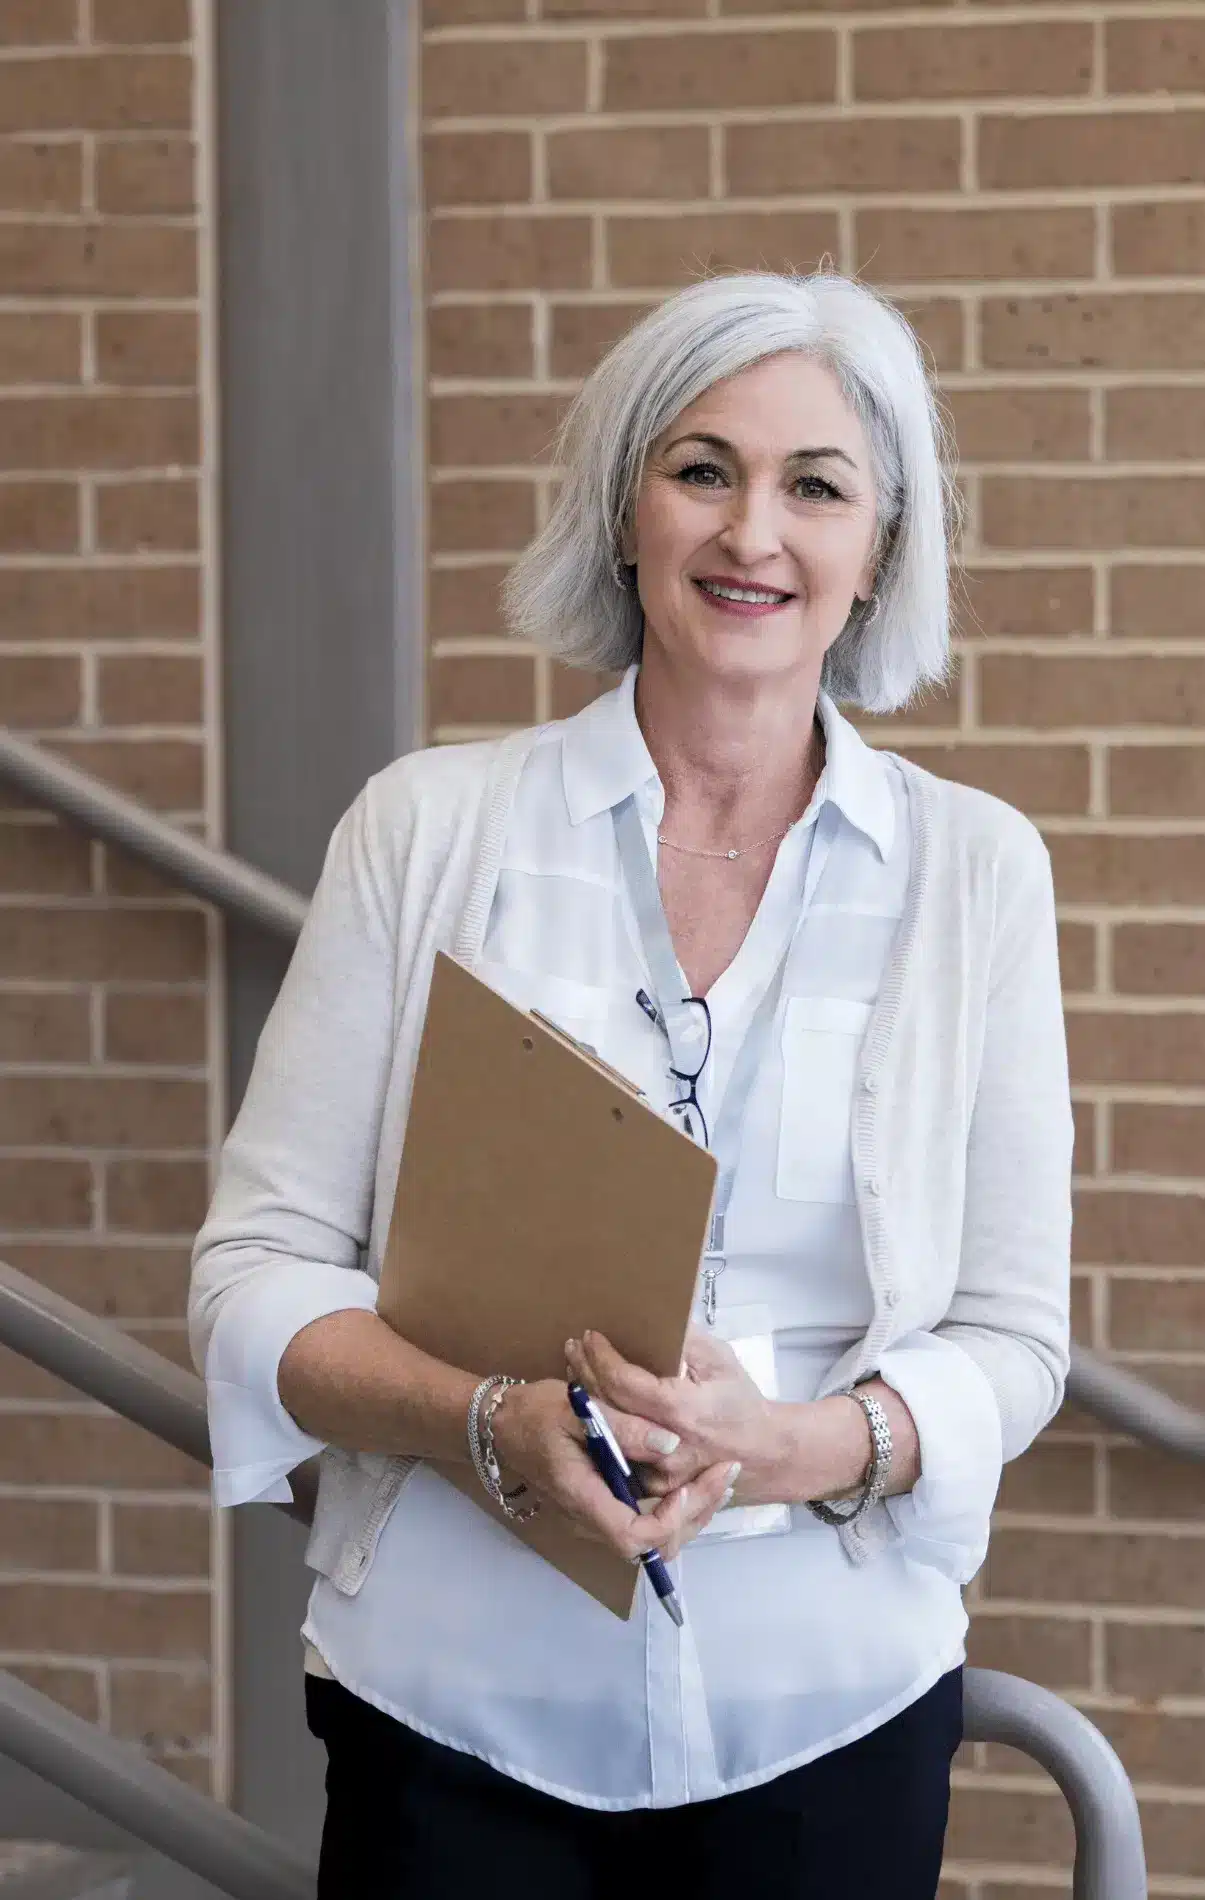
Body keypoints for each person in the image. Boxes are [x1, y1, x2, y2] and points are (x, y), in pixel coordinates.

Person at [189, 269, 1074, 1899]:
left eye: (818, 486)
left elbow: (1015, 1338)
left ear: (879, 552)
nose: (755, 533)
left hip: (833, 1719)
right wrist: (490, 1426)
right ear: (625, 512)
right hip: (450, 1716)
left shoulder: (976, 874)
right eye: (702, 468)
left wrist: (807, 1441)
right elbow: (253, 1279)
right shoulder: (425, 831)